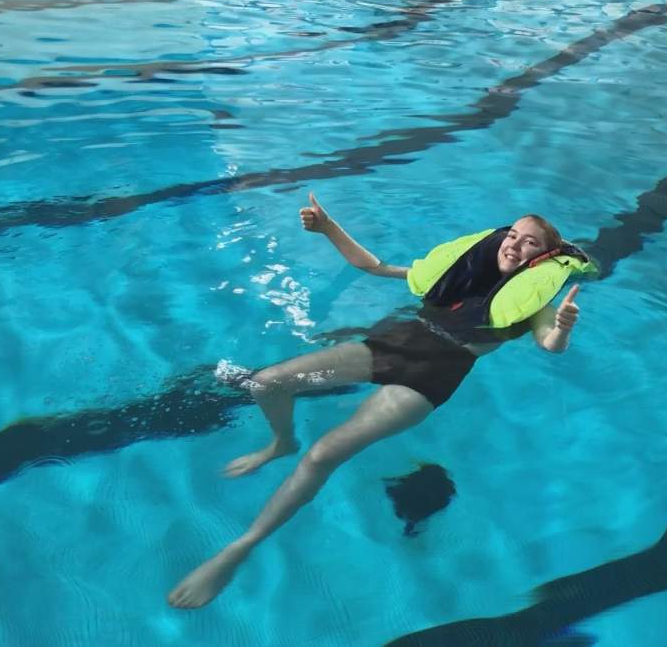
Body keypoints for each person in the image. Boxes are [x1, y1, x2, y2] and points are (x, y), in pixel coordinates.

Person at [167, 192, 593, 609]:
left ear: (541, 259)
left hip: (432, 375)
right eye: (513, 235)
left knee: (323, 454)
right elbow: (373, 266)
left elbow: (550, 344)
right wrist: (328, 228)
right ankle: (281, 442)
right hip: (393, 343)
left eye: (530, 242)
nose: (515, 245)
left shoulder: (535, 305)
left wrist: (564, 326)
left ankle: (240, 548)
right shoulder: (457, 273)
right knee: (266, 383)